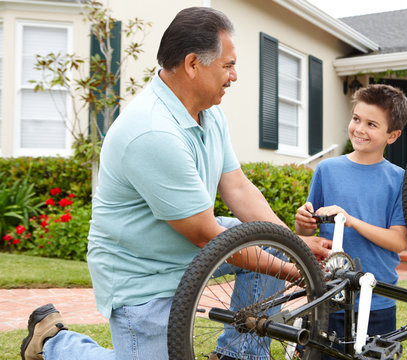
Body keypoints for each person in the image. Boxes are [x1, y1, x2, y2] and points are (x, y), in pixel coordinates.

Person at [21, 7, 331, 360]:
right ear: (193, 64)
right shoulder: (153, 131)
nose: (234, 76)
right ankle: (52, 340)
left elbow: (238, 187)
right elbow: (203, 234)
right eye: (228, 65)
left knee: (272, 241)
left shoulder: (209, 113)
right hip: (142, 272)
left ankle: (238, 354)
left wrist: (295, 247)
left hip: (187, 249)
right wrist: (296, 271)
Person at [295, 84, 407, 359]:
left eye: (372, 124)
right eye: (356, 119)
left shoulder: (399, 179)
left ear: (392, 135)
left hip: (377, 298)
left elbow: (397, 241)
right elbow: (308, 226)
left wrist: (352, 221)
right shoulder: (327, 169)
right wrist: (303, 223)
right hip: (327, 293)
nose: (359, 129)